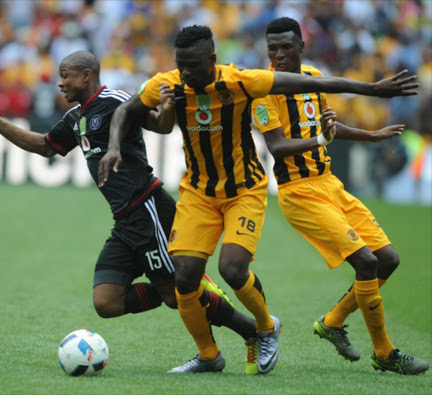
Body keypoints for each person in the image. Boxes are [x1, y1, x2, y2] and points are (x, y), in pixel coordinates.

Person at [97, 25, 418, 375]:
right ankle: (209, 356)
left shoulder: (241, 82)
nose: (185, 73)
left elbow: (317, 84)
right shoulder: (168, 82)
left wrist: (373, 90)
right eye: (180, 65)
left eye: (192, 65)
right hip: (199, 193)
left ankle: (266, 328)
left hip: (244, 191)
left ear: (212, 60)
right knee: (185, 278)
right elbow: (127, 110)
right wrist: (113, 147)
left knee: (232, 269)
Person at [0, 50, 262, 364]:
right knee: (106, 301)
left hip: (148, 210)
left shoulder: (116, 99)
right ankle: (183, 282)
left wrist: (165, 108)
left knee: (177, 295)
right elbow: (44, 146)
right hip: (124, 222)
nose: (60, 83)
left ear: (86, 76)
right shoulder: (76, 117)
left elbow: (159, 126)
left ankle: (248, 332)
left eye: (66, 76)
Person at [250, 17, 429, 375]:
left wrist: (371, 135)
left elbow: (326, 129)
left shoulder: (315, 78)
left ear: (302, 46)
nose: (279, 55)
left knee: (387, 259)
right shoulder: (263, 91)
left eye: (286, 47)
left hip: (330, 184)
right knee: (366, 263)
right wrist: (321, 140)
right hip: (299, 193)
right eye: (273, 49)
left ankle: (332, 322)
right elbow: (278, 146)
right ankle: (384, 352)